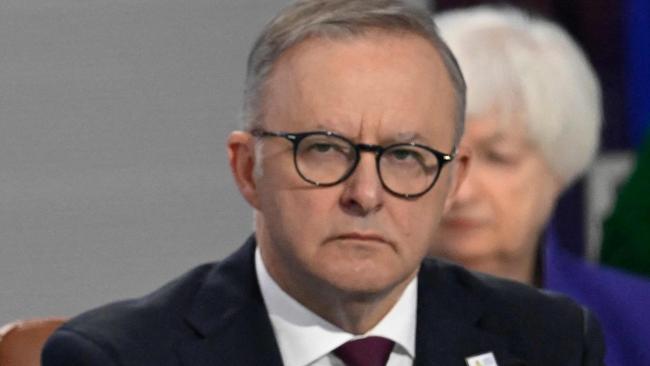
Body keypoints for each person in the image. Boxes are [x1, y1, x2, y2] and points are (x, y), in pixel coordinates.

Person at [42, 1, 604, 365]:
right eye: (325, 149)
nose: (365, 194)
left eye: (406, 155)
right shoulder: (120, 358)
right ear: (247, 169)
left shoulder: (549, 342)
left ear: (451, 182)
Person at [430, 5, 650, 365]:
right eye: (439, 154)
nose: (462, 190)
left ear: (560, 164)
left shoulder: (637, 320)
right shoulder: (348, 325)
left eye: (497, 157)